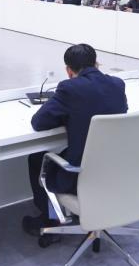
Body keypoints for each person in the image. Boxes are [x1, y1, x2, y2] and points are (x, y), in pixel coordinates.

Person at [23, 44, 127, 235]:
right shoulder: (118, 84)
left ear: (69, 71)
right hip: (115, 170)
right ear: (96, 63)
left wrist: (65, 115)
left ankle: (50, 219)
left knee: (37, 158)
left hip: (82, 173)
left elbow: (38, 122)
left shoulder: (69, 88)